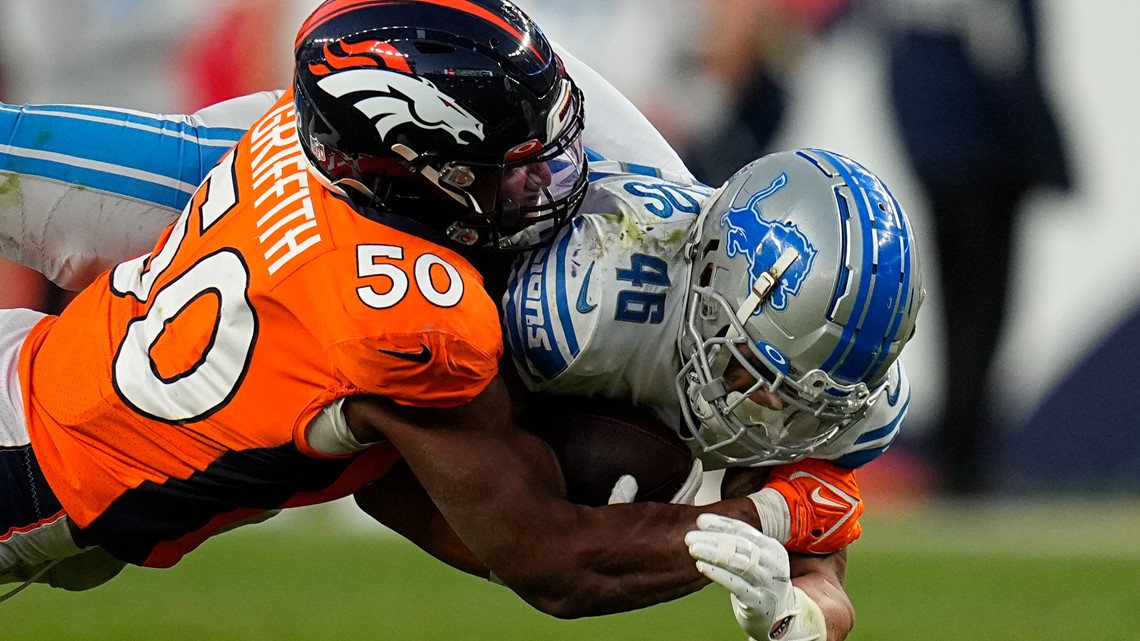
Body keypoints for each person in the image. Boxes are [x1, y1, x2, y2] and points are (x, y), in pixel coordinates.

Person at [0, 2, 859, 638]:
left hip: (51, 373)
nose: (554, 185)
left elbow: (386, 480)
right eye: (515, 173)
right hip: (32, 477)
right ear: (410, 170)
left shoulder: (316, 149)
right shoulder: (400, 314)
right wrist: (777, 519)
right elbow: (551, 560)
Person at [879, 0, 1071, 494]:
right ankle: (964, 461)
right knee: (981, 313)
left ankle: (959, 454)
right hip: (986, 149)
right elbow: (1008, 58)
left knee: (963, 312)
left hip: (943, 146)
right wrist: (1047, 151)